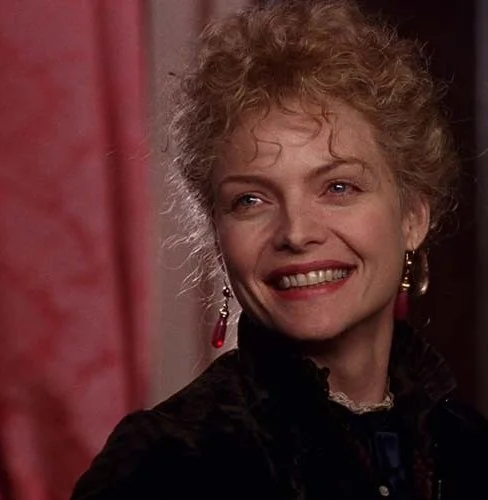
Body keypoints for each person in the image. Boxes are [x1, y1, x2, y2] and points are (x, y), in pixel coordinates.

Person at [71, 1, 488, 499]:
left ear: (413, 218)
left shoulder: (471, 447)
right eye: (251, 200)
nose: (296, 232)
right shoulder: (163, 464)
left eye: (338, 188)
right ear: (218, 238)